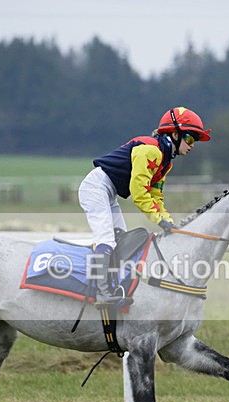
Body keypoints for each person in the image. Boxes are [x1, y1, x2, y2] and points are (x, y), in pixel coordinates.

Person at [78, 106, 212, 307]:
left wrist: (167, 220)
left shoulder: (166, 161)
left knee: (121, 239)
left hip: (109, 193)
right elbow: (139, 192)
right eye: (191, 138)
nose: (192, 145)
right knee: (106, 238)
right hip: (95, 188)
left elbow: (155, 194)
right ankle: (102, 292)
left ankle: (115, 286)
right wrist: (159, 220)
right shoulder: (150, 150)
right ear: (175, 134)